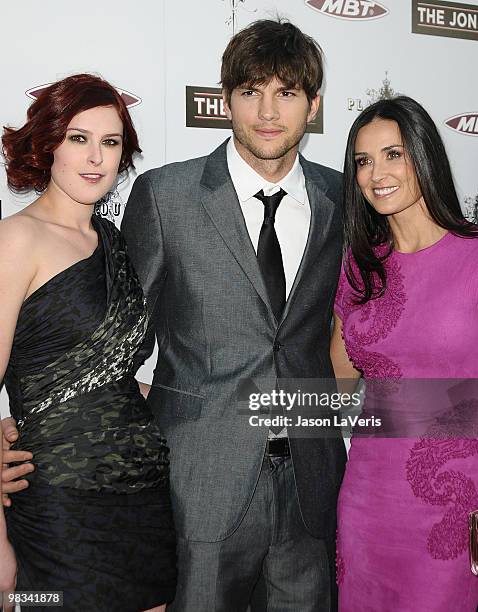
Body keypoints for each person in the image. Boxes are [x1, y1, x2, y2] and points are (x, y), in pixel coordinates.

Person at [121, 19, 346, 612]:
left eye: (287, 93)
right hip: (201, 486)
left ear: (314, 105)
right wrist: (38, 422)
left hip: (313, 481)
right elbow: (118, 345)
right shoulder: (166, 197)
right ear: (225, 102)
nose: (268, 112)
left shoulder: (343, 199)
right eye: (251, 92)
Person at [0, 74, 177, 612]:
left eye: (110, 141)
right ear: (48, 144)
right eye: (79, 138)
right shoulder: (17, 239)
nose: (95, 157)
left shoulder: (115, 244)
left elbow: (106, 370)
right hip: (58, 502)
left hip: (144, 497)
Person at [331, 96, 478, 611]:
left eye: (393, 154)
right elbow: (337, 382)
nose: (377, 173)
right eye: (363, 160)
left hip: (458, 508)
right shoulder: (360, 271)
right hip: (368, 504)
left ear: (424, 156)